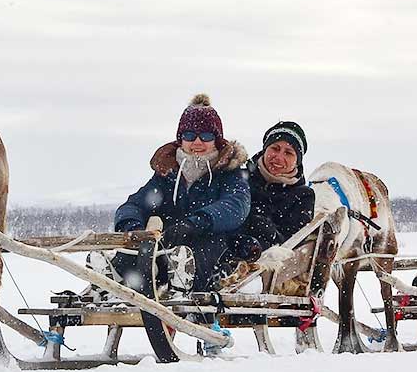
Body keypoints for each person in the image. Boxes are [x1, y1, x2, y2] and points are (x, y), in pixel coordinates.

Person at [112, 93, 250, 293]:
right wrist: (131, 225)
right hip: (168, 245)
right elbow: (134, 205)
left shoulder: (230, 173)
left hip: (215, 247)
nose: (197, 142)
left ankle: (184, 283)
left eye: (206, 136)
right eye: (189, 135)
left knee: (205, 249)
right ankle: (113, 277)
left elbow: (236, 206)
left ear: (216, 140)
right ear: (180, 139)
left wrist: (196, 222)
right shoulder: (168, 174)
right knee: (139, 251)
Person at [232, 120, 317, 273]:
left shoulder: (303, 196)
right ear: (265, 149)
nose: (278, 157)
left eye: (288, 153)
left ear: (297, 162)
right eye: (275, 148)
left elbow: (291, 243)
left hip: (265, 265)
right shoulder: (240, 177)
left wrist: (263, 226)